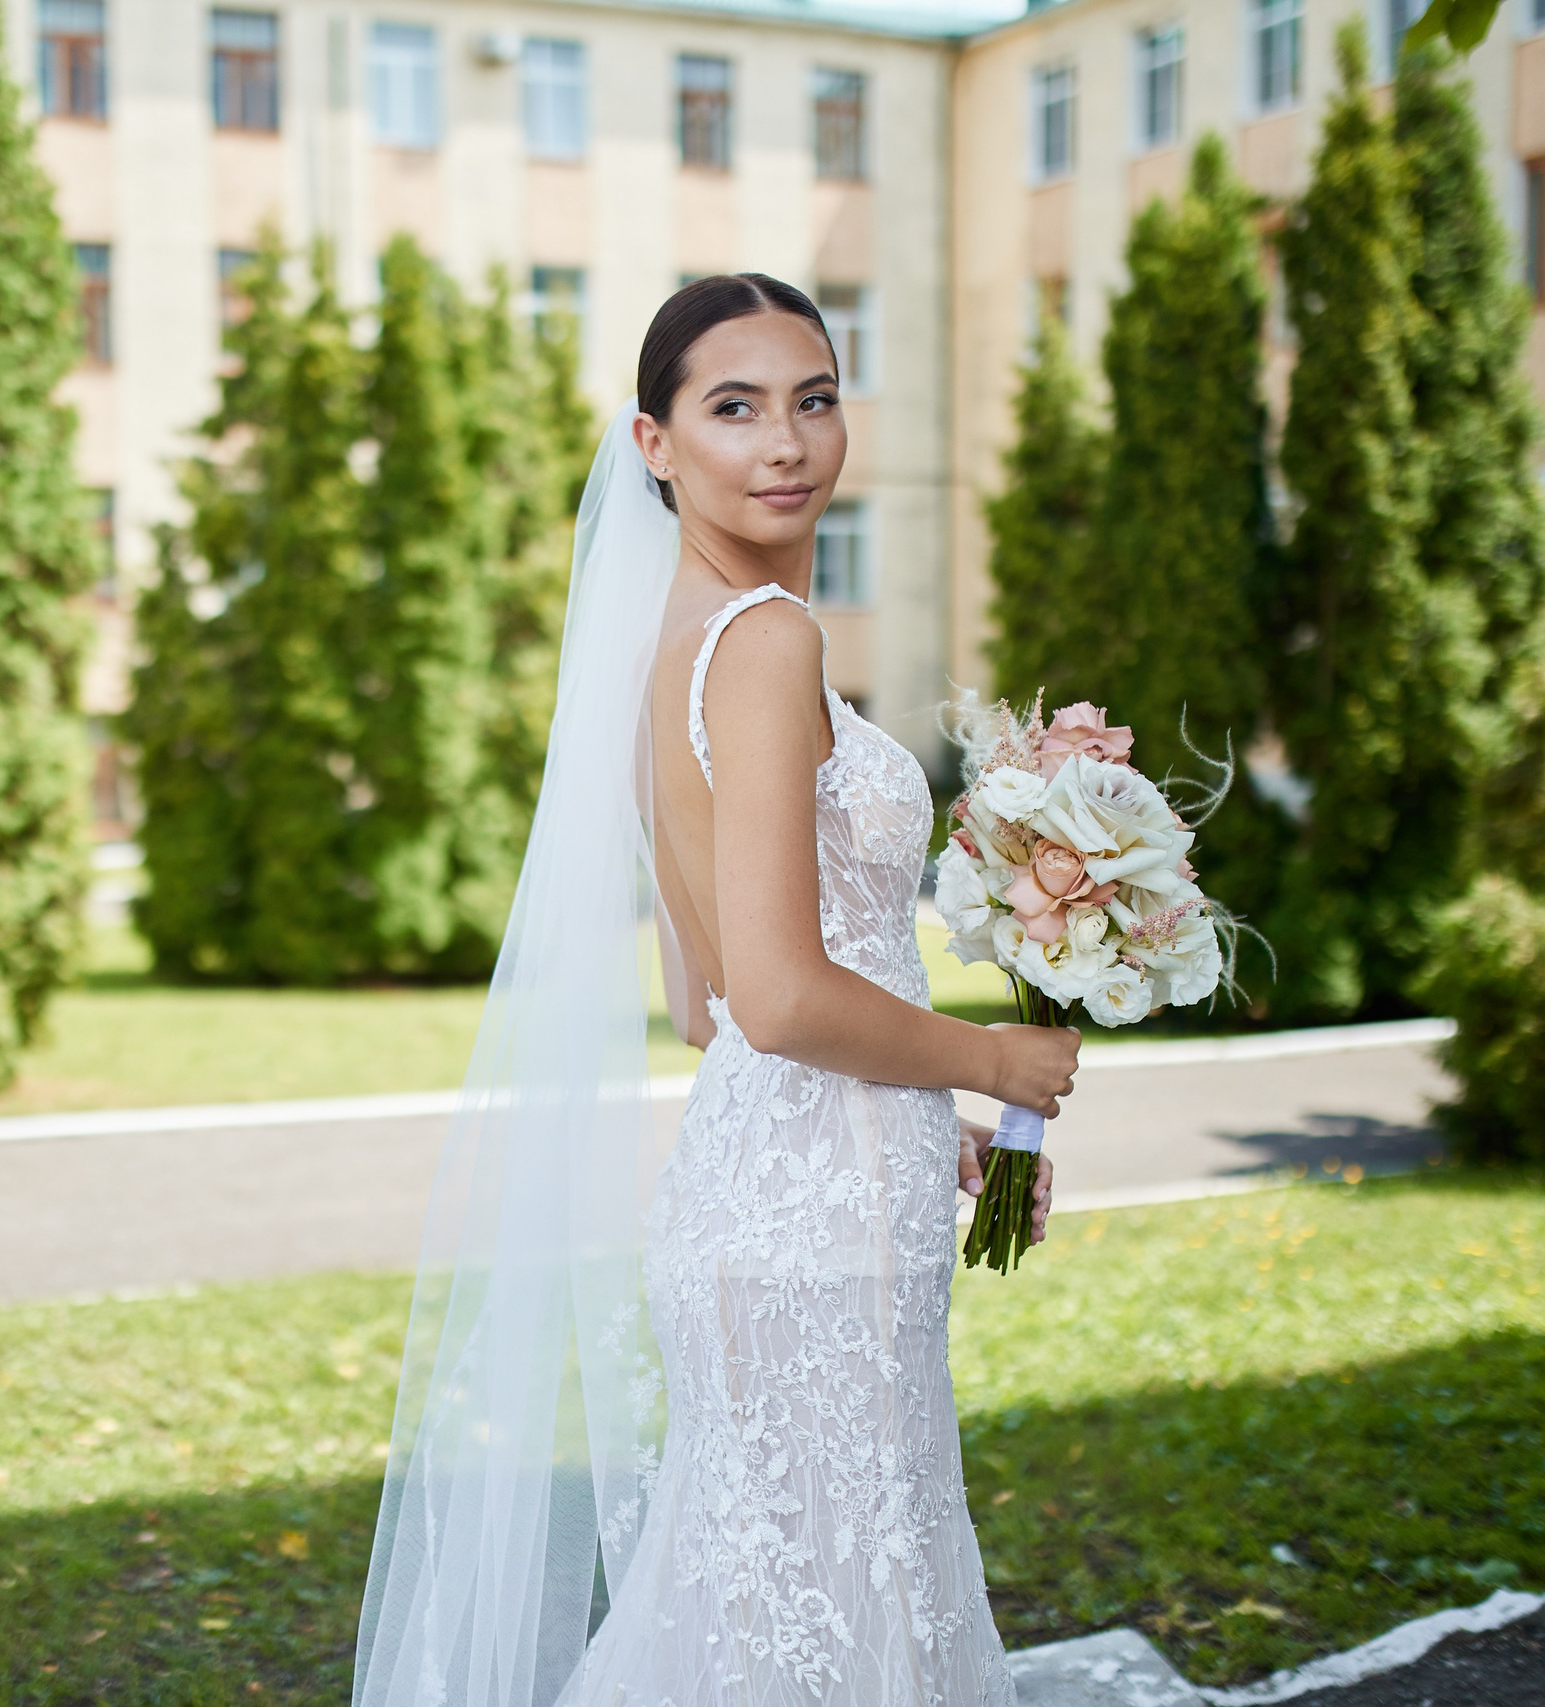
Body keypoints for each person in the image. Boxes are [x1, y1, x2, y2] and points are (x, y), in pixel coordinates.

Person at [353, 275, 1078, 1707]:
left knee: (773, 1601)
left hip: (763, 1186)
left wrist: (925, 1120)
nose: (786, 442)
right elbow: (785, 997)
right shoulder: (765, 640)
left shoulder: (655, 646)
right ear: (655, 443)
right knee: (838, 1611)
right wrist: (994, 1064)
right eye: (733, 408)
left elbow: (710, 1007)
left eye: (815, 400)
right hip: (818, 1219)